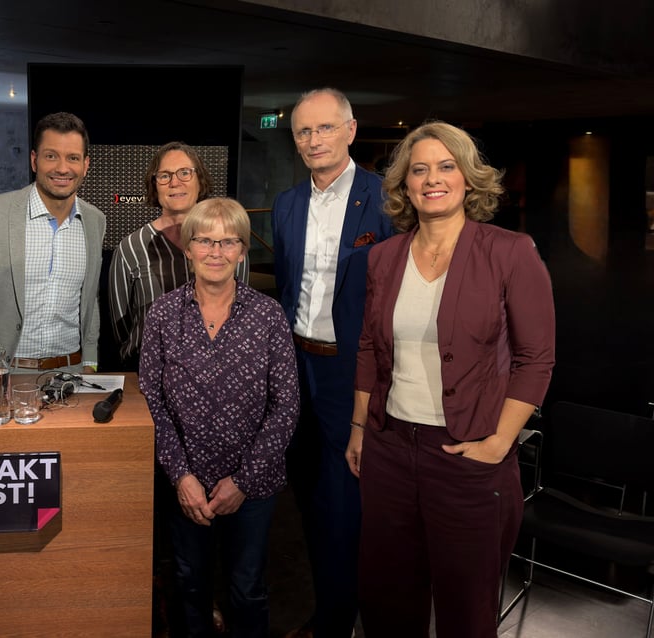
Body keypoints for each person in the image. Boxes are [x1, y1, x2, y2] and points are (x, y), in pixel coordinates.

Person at [345, 121, 555, 638]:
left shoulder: (510, 251)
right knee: (387, 600)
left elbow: (536, 359)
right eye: (419, 169)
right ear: (405, 185)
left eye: (445, 166)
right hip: (390, 449)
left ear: (468, 178)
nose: (432, 178)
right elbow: (371, 347)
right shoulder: (384, 257)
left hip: (467, 455)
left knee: (466, 610)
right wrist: (358, 430)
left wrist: (500, 442)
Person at [139, 197, 300, 638]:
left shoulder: (268, 316)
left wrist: (243, 482)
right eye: (205, 241)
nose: (215, 251)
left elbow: (286, 405)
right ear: (187, 248)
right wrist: (180, 476)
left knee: (247, 588)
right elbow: (151, 400)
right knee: (189, 585)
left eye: (227, 241)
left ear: (243, 251)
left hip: (254, 488)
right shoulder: (163, 314)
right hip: (185, 485)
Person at [271, 88, 394, 638]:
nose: (313, 139)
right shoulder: (287, 203)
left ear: (350, 130)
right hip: (296, 368)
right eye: (303, 131)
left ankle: (341, 620)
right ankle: (321, 606)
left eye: (324, 128)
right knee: (305, 498)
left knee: (347, 505)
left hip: (352, 374)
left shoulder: (387, 199)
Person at [0, 111, 105, 376]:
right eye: (51, 156)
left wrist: (90, 361)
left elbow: (90, 297)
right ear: (35, 160)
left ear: (86, 165)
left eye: (73, 158)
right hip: (3, 374)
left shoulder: (95, 221)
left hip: (70, 374)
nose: (62, 168)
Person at [108, 141, 249, 371]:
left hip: (217, 375)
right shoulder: (131, 248)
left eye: (185, 172)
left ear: (199, 179)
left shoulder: (230, 245)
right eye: (164, 175)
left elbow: (242, 307)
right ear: (155, 185)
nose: (175, 182)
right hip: (146, 374)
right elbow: (121, 328)